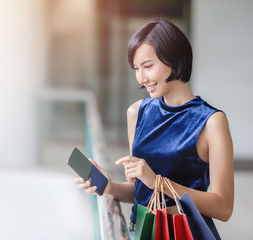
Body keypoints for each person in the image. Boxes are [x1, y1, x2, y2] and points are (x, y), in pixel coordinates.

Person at [74, 18, 234, 239]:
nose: (141, 77)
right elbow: (141, 192)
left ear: (175, 60)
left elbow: (223, 207)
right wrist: (110, 186)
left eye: (148, 66)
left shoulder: (211, 122)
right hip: (143, 231)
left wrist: (157, 181)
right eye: (137, 69)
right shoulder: (137, 113)